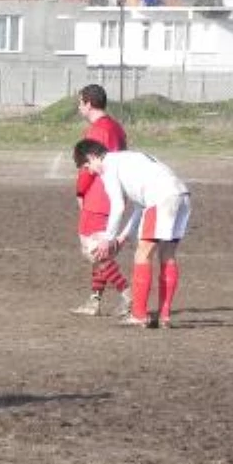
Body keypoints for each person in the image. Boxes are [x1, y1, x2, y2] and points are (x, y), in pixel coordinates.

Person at [72, 139, 190, 329]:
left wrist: (108, 239)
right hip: (181, 195)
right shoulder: (128, 159)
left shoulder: (109, 166)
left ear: (93, 156)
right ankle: (164, 316)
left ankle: (139, 315)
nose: (91, 171)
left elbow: (118, 206)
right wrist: (122, 237)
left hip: (160, 198)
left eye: (88, 165)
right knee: (167, 255)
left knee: (142, 254)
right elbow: (139, 207)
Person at [71, 84, 131, 317]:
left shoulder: (96, 131)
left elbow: (89, 168)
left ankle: (128, 294)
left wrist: (80, 191)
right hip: (114, 194)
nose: (79, 107)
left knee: (94, 251)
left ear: (88, 103)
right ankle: (94, 301)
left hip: (98, 197)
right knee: (100, 252)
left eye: (80, 102)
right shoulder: (117, 128)